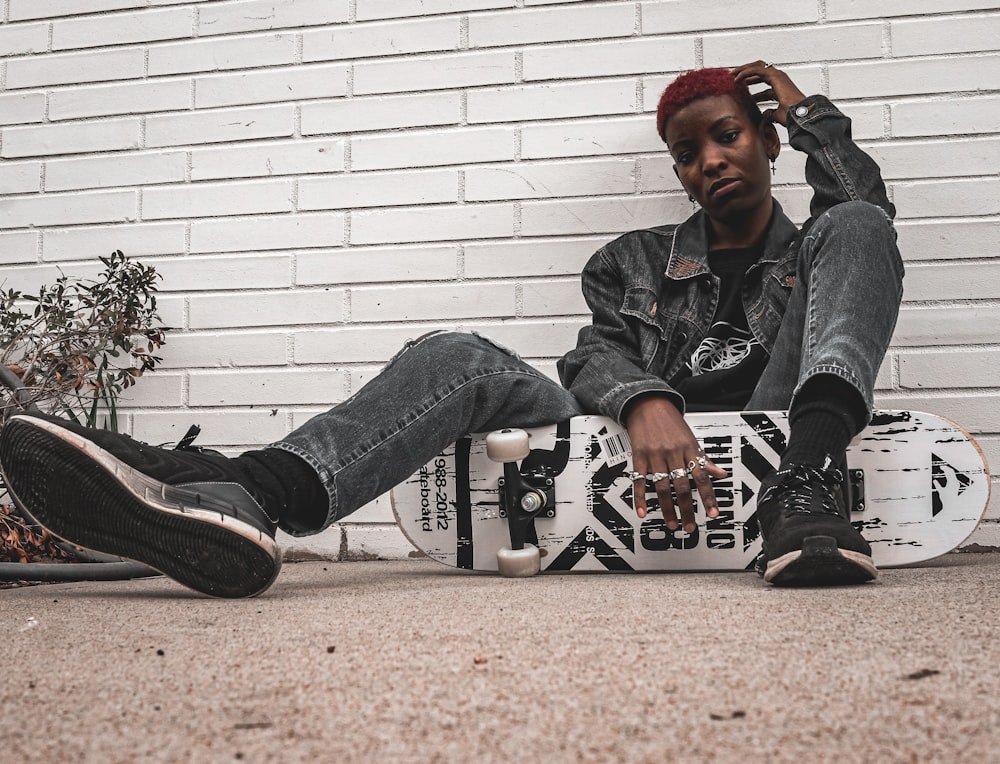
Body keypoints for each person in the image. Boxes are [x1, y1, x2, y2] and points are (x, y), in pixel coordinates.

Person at [0, 61, 902, 598]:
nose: (710, 161)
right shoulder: (629, 260)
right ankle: (253, 495)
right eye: (688, 153)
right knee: (457, 356)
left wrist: (810, 112)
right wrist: (644, 402)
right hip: (623, 439)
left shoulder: (820, 241)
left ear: (767, 139)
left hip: (772, 434)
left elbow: (861, 208)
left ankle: (813, 487)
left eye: (730, 136)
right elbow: (593, 355)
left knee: (861, 226)